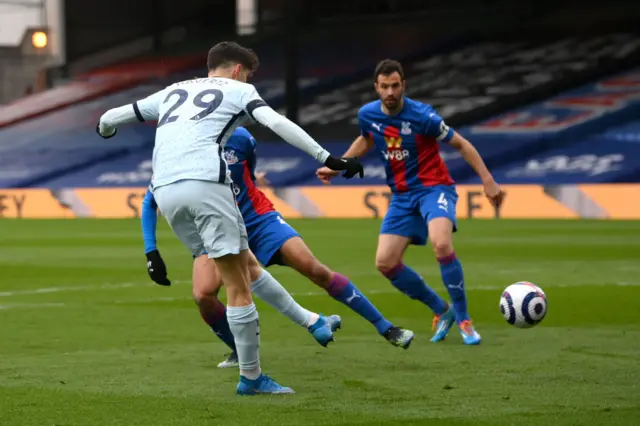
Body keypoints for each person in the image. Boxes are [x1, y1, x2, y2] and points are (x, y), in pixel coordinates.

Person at [96, 41, 363, 396]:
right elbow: (277, 122)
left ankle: (311, 321)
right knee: (237, 285)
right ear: (238, 70)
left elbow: (109, 118)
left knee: (245, 264)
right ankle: (251, 378)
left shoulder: (172, 91)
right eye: (248, 72)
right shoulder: (239, 89)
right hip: (206, 182)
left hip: (165, 191)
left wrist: (106, 131)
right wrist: (326, 157)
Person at [143, 127, 415, 352]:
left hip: (257, 219)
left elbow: (247, 175)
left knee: (315, 269)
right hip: (215, 226)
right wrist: (151, 251)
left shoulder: (242, 138)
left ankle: (386, 327)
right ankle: (240, 352)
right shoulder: (183, 144)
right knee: (203, 295)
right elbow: (150, 198)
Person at [316, 59, 505, 345]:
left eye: (394, 86)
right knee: (385, 263)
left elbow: (462, 144)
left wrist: (488, 180)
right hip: (402, 196)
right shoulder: (368, 115)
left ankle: (465, 319)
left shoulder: (424, 117)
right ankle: (442, 310)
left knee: (441, 243)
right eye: (384, 87)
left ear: (403, 85)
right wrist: (339, 164)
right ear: (376, 88)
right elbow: (367, 139)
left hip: (434, 188)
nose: (390, 92)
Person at [142, 190, 343, 369]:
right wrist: (151, 251)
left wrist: (324, 157)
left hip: (217, 220)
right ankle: (314, 322)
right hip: (202, 232)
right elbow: (150, 200)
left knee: (225, 287)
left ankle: (250, 372)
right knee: (216, 289)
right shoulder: (169, 159)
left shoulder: (207, 153)